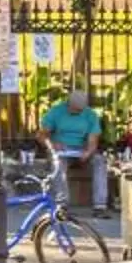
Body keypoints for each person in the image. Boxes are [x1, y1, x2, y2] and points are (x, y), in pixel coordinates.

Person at [39, 82, 109, 214]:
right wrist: (53, 146)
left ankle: (100, 205)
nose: (77, 112)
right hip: (61, 148)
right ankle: (62, 204)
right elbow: (42, 135)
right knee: (58, 163)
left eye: (80, 110)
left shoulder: (90, 115)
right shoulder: (56, 112)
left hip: (82, 148)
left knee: (99, 161)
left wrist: (88, 152)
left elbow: (93, 139)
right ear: (68, 104)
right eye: (75, 109)